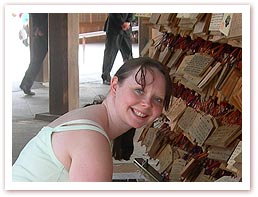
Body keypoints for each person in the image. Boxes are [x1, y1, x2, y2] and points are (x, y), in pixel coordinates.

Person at [12, 57, 172, 182]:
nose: (146, 104)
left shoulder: (92, 119)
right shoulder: (91, 139)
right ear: (115, 85)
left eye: (157, 99)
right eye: (139, 90)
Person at [19, 13, 48, 96]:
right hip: (44, 31)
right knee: (37, 61)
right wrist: (41, 29)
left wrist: (37, 29)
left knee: (36, 61)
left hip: (39, 32)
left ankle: (26, 84)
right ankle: (26, 84)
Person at [101, 13, 134, 85]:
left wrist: (128, 21)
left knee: (128, 54)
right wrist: (122, 23)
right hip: (114, 27)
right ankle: (106, 77)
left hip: (126, 29)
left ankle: (130, 75)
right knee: (110, 53)